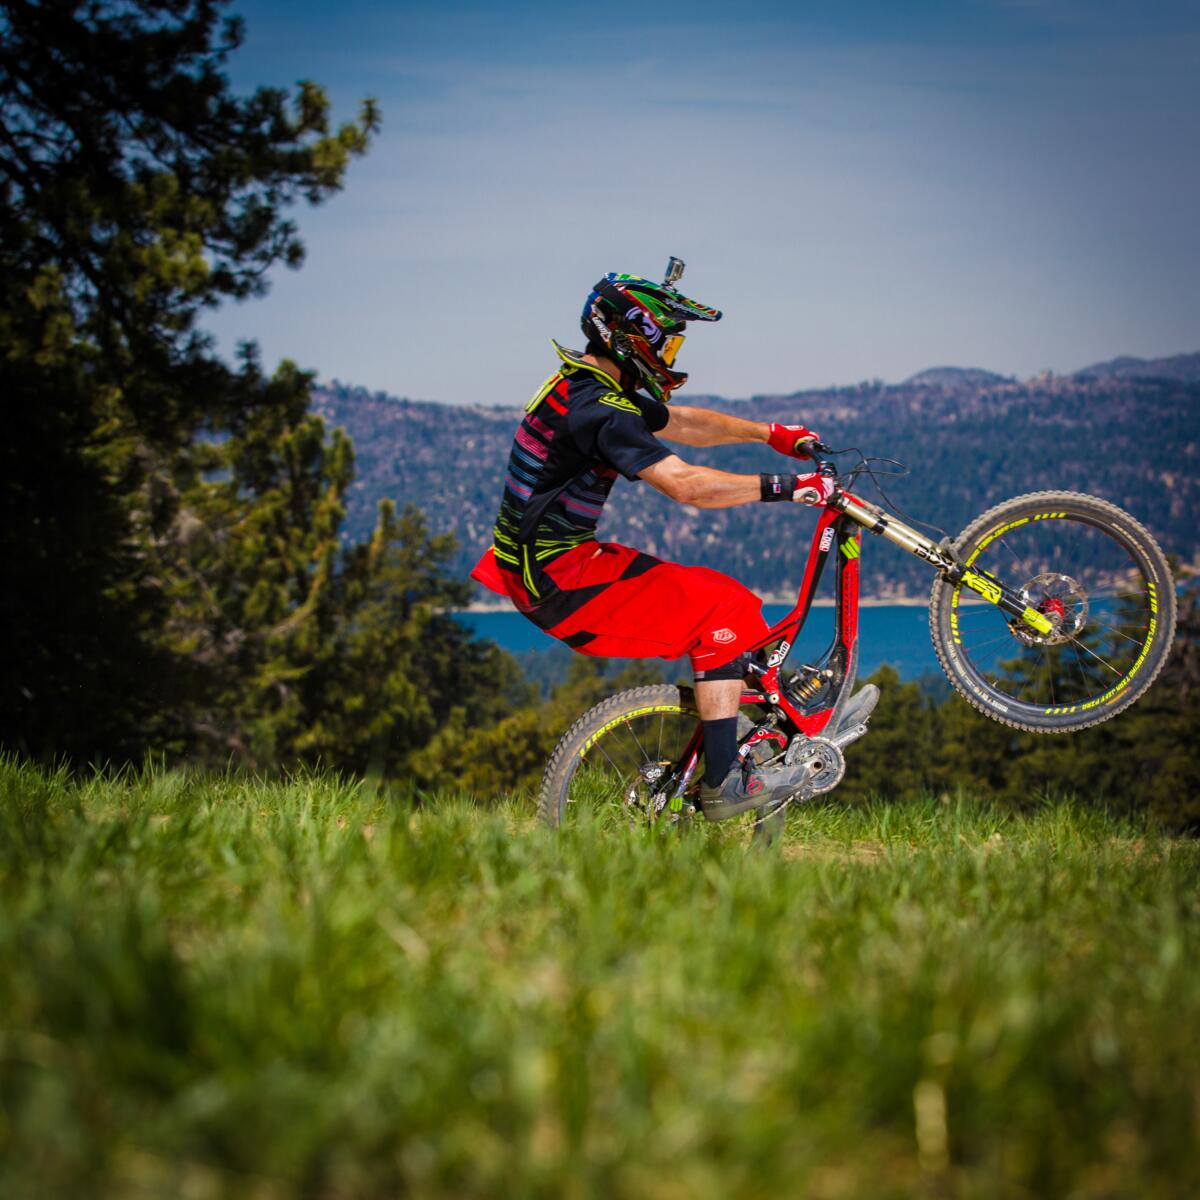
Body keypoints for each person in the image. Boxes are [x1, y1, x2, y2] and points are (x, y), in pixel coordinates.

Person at [471, 267, 853, 820]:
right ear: (632, 337)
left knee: (732, 602)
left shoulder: (583, 384)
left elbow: (682, 423)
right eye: (667, 340)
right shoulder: (602, 410)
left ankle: (737, 723)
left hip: (547, 563)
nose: (672, 353)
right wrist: (793, 488)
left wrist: (770, 434)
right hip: (560, 580)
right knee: (721, 613)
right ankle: (724, 782)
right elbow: (686, 485)